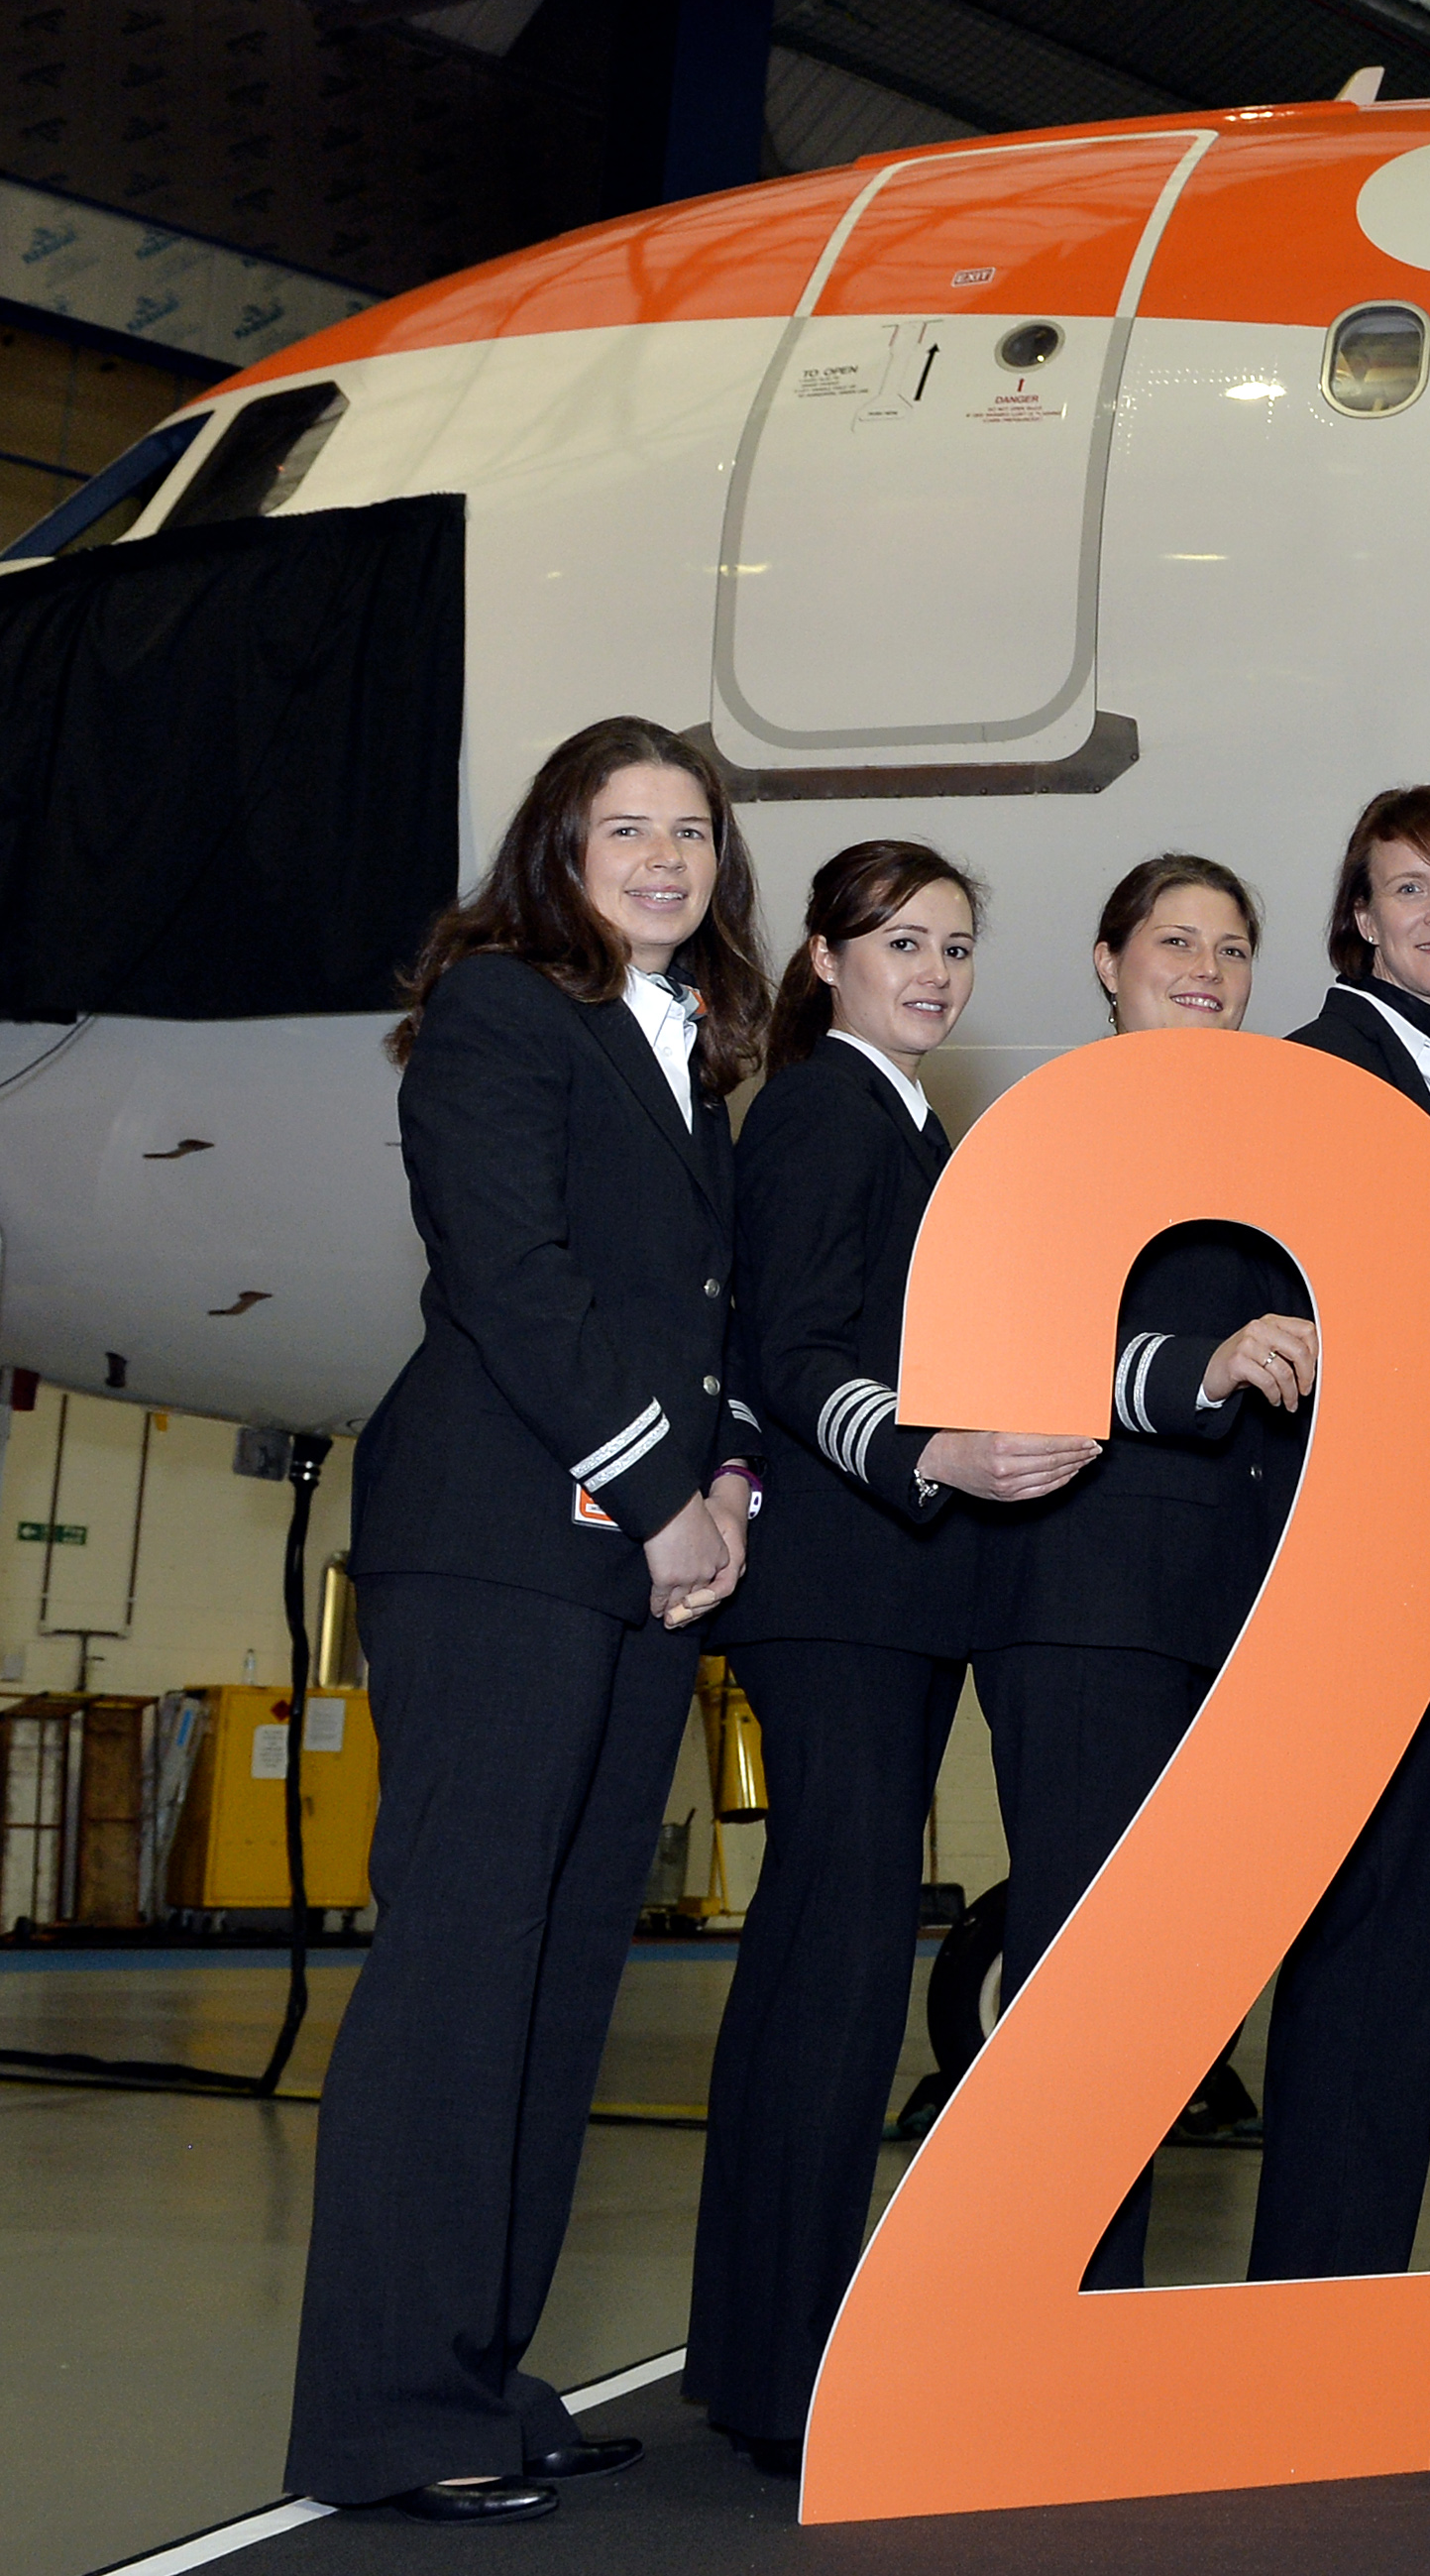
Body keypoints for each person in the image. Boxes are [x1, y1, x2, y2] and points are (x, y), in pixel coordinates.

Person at [288, 718, 772, 2520]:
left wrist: (728, 1489)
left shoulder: (680, 1045)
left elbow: (699, 1311)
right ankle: (389, 2409)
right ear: (555, 848)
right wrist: (661, 1494)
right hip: (499, 1543)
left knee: (562, 1981)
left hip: (626, 1561)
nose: (664, 859)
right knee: (461, 1974)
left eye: (691, 831)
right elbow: (513, 1274)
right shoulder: (501, 1006)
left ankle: (480, 2370)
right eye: (623, 827)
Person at [686, 842, 1097, 2474]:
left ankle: (766, 2348)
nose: (933, 971)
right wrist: (929, 1453)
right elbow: (788, 1349)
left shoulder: (910, 1120)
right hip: (840, 1592)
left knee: (835, 1960)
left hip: (896, 1597)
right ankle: (780, 2369)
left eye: (955, 946)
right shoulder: (818, 1111)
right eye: (901, 941)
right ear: (824, 959)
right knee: (832, 1967)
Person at [963, 854, 1317, 2294]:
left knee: (1160, 1995)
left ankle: (1101, 2314)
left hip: (1222, 1611)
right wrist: (1203, 1369)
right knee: (1078, 1975)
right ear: (1109, 963)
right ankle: (1049, 2304)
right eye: (1176, 942)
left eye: (1231, 950)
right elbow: (1014, 1343)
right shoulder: (1051, 1127)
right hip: (1085, 1601)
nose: (1207, 971)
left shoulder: (1267, 1147)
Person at [1253, 786, 1430, 2444]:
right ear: (1356, 917)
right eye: (1407, 889)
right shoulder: (1326, 1071)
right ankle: (1314, 2329)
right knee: (1362, 1952)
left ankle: (1338, 2312)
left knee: (1390, 1956)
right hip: (1354, 1566)